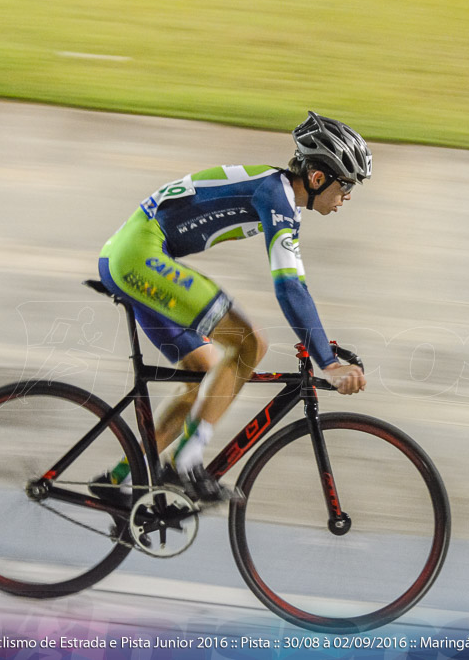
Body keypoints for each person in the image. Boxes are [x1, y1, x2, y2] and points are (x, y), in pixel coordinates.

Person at [91, 111, 370, 505]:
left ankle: (119, 478)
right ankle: (185, 464)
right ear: (319, 177)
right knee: (248, 343)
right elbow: (289, 287)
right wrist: (327, 361)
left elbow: (297, 286)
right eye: (346, 185)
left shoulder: (277, 193)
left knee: (204, 371)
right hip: (137, 255)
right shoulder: (276, 196)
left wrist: (323, 346)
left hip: (125, 253)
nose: (348, 196)